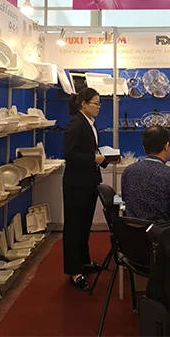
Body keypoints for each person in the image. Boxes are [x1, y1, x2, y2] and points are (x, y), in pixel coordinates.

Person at [63, 87, 109, 291]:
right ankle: (74, 271)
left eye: (99, 103)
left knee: (84, 225)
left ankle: (84, 261)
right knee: (74, 227)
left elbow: (91, 150)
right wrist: (94, 159)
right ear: (84, 104)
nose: (99, 107)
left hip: (89, 181)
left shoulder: (89, 122)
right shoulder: (76, 124)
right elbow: (70, 155)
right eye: (95, 103)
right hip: (76, 184)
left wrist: (106, 160)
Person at [121, 125, 170, 221]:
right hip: (162, 229)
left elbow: (127, 201)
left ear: (144, 147)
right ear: (166, 146)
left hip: (131, 229)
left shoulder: (128, 171)